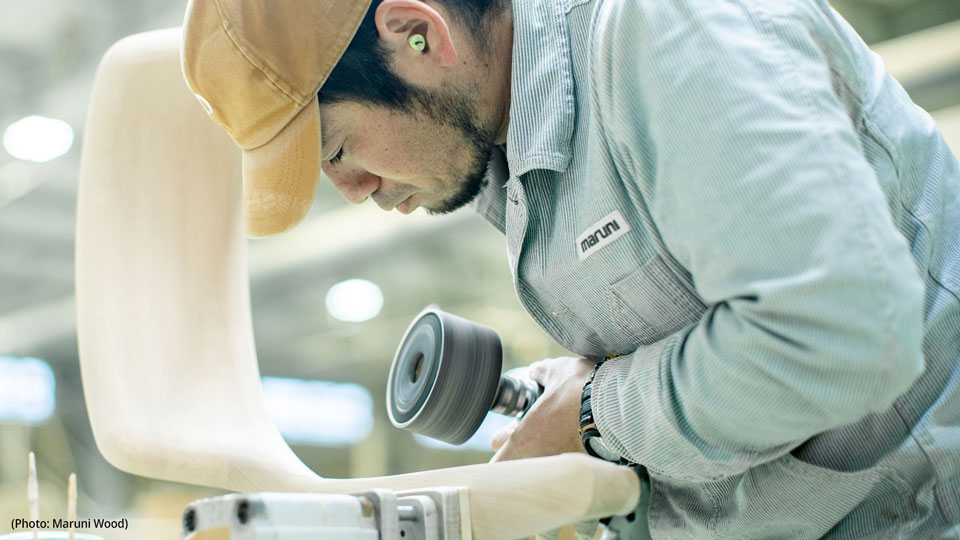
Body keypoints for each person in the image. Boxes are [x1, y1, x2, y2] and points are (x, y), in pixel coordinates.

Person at [181, 0, 960, 537]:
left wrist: (594, 414)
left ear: (417, 33)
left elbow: (846, 332)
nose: (353, 193)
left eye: (339, 152)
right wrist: (581, 390)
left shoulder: (666, 33)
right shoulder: (510, 152)